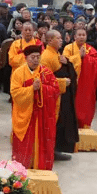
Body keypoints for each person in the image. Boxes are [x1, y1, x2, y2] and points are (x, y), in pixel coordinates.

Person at [10, 44, 60, 170]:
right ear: (26, 58)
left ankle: (41, 168)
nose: (36, 60)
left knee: (42, 143)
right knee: (24, 144)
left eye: (38, 57)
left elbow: (55, 90)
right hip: (25, 114)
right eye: (33, 57)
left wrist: (42, 88)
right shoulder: (18, 73)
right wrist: (32, 89)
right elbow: (15, 93)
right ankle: (22, 169)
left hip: (42, 115)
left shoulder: (46, 72)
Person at [39, 30, 77, 161]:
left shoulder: (56, 53)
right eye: (58, 38)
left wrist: (67, 64)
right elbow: (44, 79)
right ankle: (51, 151)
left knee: (61, 123)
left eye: (61, 38)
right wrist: (61, 82)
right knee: (54, 123)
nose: (61, 40)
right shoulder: (46, 57)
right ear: (50, 41)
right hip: (53, 97)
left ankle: (57, 149)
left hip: (61, 96)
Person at [62, 28, 97, 128]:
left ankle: (84, 126)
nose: (81, 37)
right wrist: (78, 56)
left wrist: (86, 58)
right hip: (72, 82)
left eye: (83, 35)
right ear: (74, 37)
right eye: (79, 35)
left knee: (85, 106)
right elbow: (64, 62)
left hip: (85, 83)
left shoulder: (90, 50)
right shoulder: (68, 48)